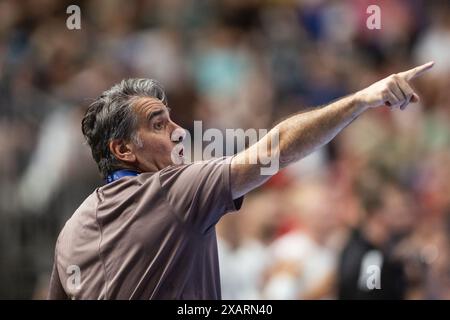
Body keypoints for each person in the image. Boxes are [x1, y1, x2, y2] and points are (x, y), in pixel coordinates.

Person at [48, 62, 434, 299]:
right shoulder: (173, 191)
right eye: (159, 124)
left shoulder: (70, 232)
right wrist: (361, 100)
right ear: (124, 150)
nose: (179, 131)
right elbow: (274, 151)